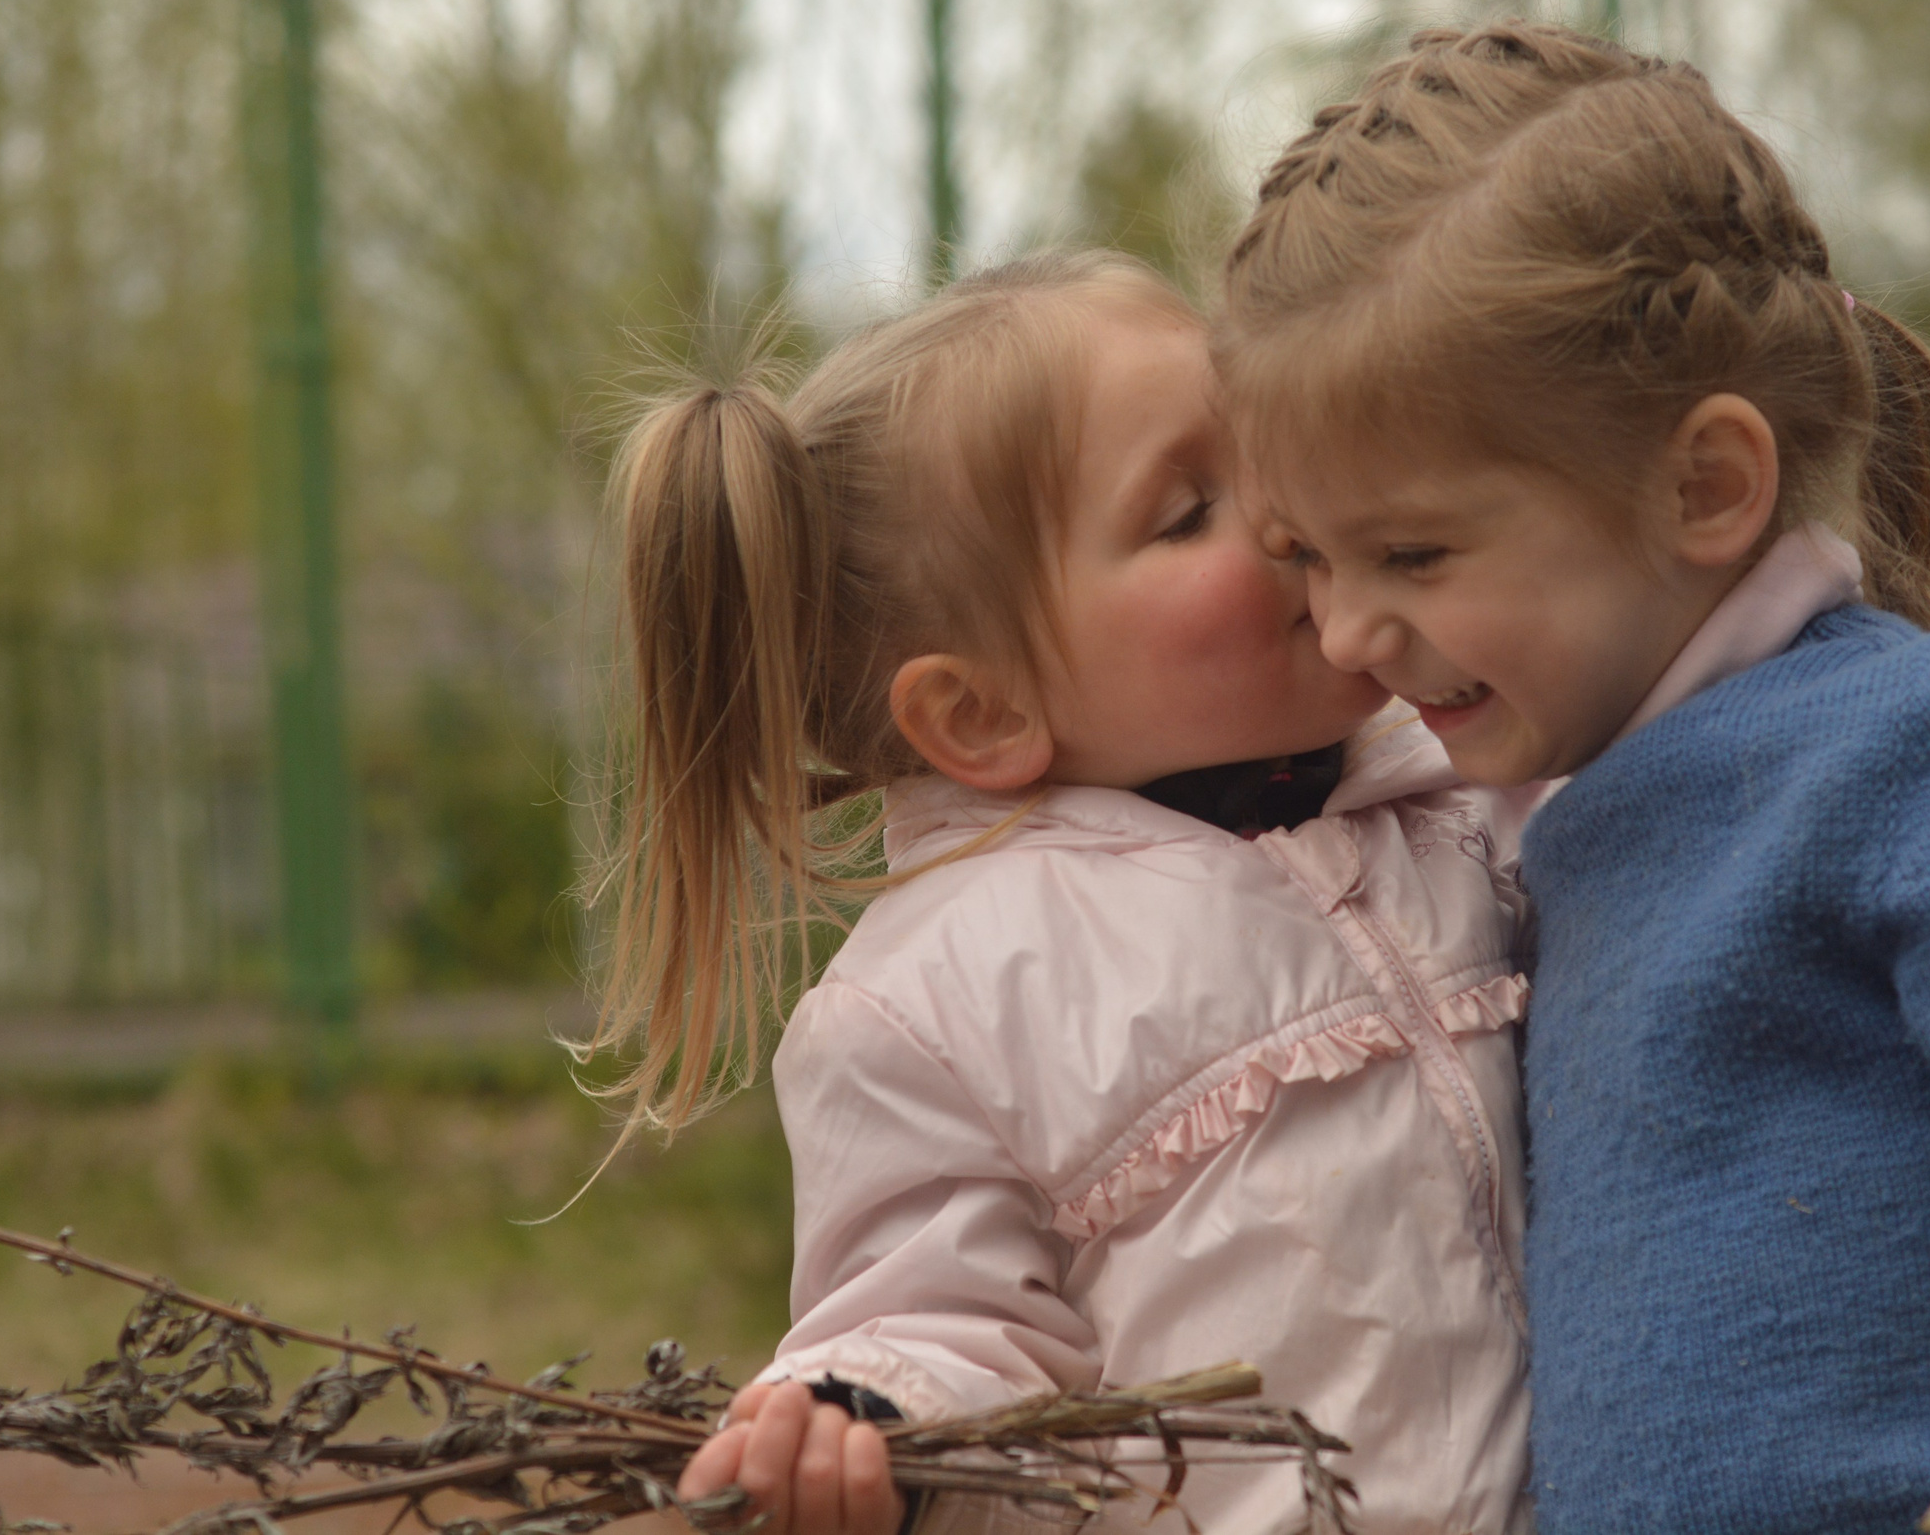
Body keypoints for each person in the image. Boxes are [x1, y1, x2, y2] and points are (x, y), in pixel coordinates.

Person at [1213, 22, 1930, 1533]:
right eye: (1310, 557)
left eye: (1413, 551)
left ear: (1705, 485)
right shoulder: (1537, 822)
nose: (1352, 628)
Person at [599, 249, 1536, 1535]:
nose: (1280, 509)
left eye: (1258, 446)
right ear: (981, 711)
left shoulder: (1471, 779)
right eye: (1185, 510)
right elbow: (934, 1315)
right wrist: (867, 1422)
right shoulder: (945, 990)